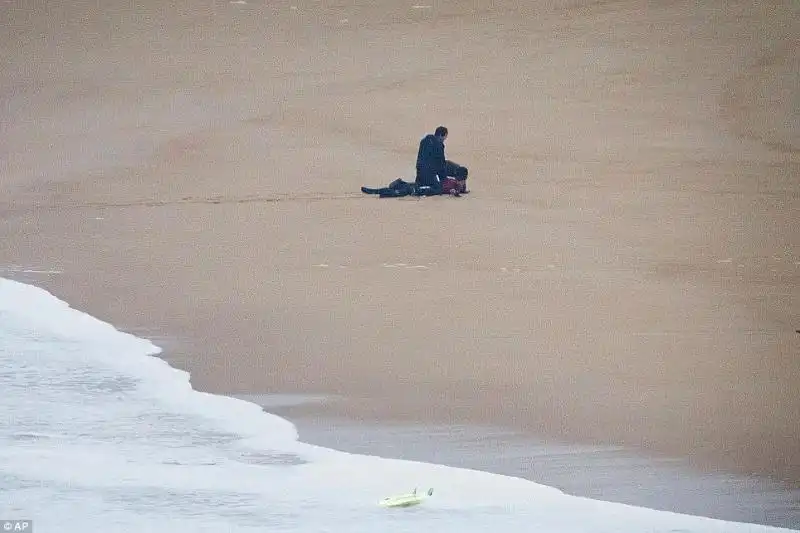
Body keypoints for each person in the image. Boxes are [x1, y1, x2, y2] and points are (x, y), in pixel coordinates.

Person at [415, 126, 469, 195]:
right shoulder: (439, 145)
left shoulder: (424, 141)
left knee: (454, 168)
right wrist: (443, 178)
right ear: (441, 135)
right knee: (438, 188)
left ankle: (459, 185)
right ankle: (461, 186)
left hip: (420, 170)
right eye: (445, 137)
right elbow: (440, 163)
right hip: (430, 172)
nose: (445, 139)